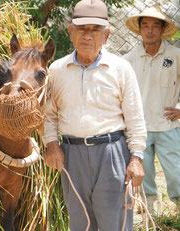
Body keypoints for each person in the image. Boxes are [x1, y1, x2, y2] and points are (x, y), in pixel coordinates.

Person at [43, 0, 147, 230]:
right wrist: (51, 144)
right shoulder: (56, 70)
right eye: (81, 29)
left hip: (112, 154)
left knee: (115, 223)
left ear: (106, 35)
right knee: (80, 223)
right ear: (71, 32)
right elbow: (49, 116)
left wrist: (136, 158)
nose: (87, 36)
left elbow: (135, 117)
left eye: (95, 30)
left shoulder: (120, 68)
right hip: (72, 155)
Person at [123, 5, 180, 214]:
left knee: (176, 171)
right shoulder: (128, 60)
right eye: (145, 26)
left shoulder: (175, 55)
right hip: (140, 129)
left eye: (155, 26)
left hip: (169, 125)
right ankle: (151, 211)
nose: (150, 30)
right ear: (139, 30)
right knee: (144, 172)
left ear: (163, 29)